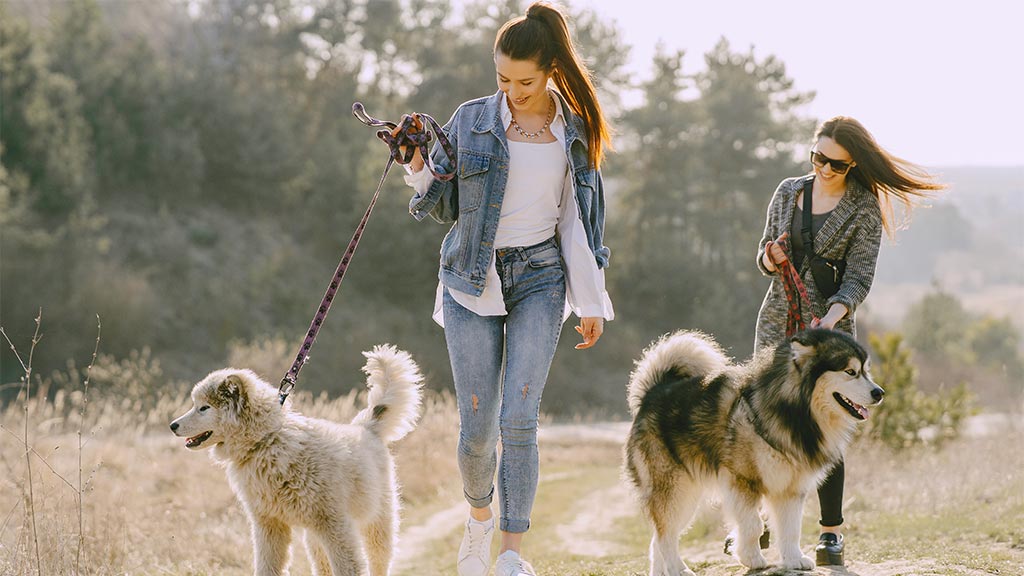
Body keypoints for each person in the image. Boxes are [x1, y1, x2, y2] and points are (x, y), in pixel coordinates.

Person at [393, 3, 614, 575]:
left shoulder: (576, 132)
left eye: (525, 80)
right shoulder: (471, 120)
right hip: (471, 277)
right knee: (476, 429)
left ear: (551, 72)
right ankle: (478, 518)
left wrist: (591, 300)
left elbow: (581, 222)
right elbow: (444, 204)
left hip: (542, 277)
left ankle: (511, 558)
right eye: (503, 79)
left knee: (520, 420)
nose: (513, 91)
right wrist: (417, 163)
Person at [754, 116, 943, 566]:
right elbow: (762, 253)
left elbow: (858, 280)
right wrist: (769, 256)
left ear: (853, 163)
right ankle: (761, 525)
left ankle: (831, 533)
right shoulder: (788, 192)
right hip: (777, 323)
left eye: (834, 164)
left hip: (831, 330)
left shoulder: (862, 207)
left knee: (830, 425)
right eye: (817, 157)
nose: (822, 168)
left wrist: (832, 319)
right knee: (764, 421)